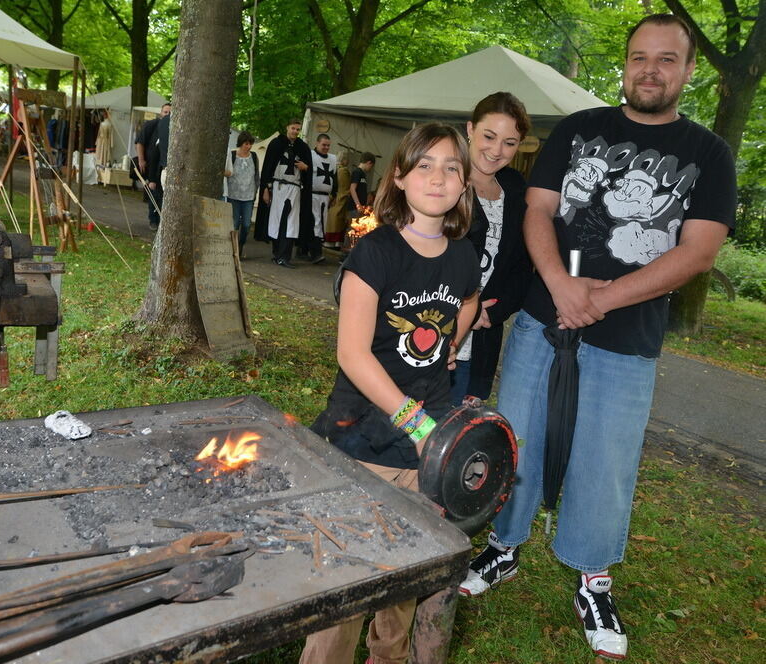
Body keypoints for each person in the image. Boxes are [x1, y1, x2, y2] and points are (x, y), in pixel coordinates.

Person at [459, 15, 737, 661]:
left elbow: (697, 251)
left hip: (627, 338)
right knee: (517, 437)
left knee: (604, 461)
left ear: (687, 70)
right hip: (539, 318)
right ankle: (503, 546)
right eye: (639, 57)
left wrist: (603, 299)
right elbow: (538, 209)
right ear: (625, 64)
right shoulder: (578, 130)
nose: (650, 69)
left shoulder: (707, 153)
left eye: (665, 59)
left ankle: (592, 576)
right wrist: (558, 286)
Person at [301, 122, 481, 664]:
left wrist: (454, 340)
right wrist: (416, 422)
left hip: (429, 442)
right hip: (366, 435)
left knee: (404, 572)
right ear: (399, 177)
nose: (439, 176)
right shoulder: (375, 253)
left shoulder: (464, 254)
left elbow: (469, 300)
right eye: (424, 164)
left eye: (452, 167)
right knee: (351, 579)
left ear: (464, 185)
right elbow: (352, 354)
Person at [449, 92, 533, 403]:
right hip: (431, 331)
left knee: (450, 438)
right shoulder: (442, 179)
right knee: (409, 425)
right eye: (489, 136)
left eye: (509, 143)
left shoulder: (514, 189)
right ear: (470, 129)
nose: (496, 151)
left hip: (480, 342)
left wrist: (492, 312)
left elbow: (522, 267)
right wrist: (463, 308)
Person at [259, 118, 312, 268]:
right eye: (293, 128)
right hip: (278, 186)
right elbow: (268, 168)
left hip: (294, 188)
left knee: (290, 223)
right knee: (277, 221)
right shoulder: (276, 144)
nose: (295, 131)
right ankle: (277, 254)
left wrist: (305, 167)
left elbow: (309, 169)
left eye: (297, 129)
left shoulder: (303, 147)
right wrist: (265, 189)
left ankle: (284, 256)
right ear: (287, 127)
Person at [223, 131, 260, 257]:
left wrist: (255, 191)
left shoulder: (254, 157)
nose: (248, 146)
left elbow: (256, 176)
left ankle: (241, 244)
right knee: (234, 224)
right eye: (246, 144)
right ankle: (233, 250)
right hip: (233, 195)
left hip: (248, 196)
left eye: (250, 144)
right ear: (241, 143)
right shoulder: (233, 154)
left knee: (246, 224)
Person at [135, 102, 171, 228]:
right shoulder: (152, 125)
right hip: (152, 165)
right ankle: (153, 220)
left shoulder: (171, 127)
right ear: (160, 112)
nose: (168, 114)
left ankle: (160, 221)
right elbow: (140, 142)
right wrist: (141, 160)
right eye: (165, 112)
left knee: (161, 196)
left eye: (170, 113)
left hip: (163, 166)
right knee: (153, 192)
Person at [307, 133, 337, 264]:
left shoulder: (333, 159)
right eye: (323, 145)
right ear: (317, 143)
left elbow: (334, 178)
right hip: (313, 195)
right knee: (315, 223)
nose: (326, 147)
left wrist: (334, 194)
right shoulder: (310, 156)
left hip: (325, 198)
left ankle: (314, 252)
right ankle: (315, 253)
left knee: (322, 224)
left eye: (328, 145)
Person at [347, 151, 375, 219]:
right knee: (353, 228)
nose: (370, 168)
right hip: (354, 208)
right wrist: (358, 205)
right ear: (369, 163)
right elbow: (352, 189)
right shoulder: (357, 172)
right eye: (371, 166)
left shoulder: (363, 174)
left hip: (360, 208)